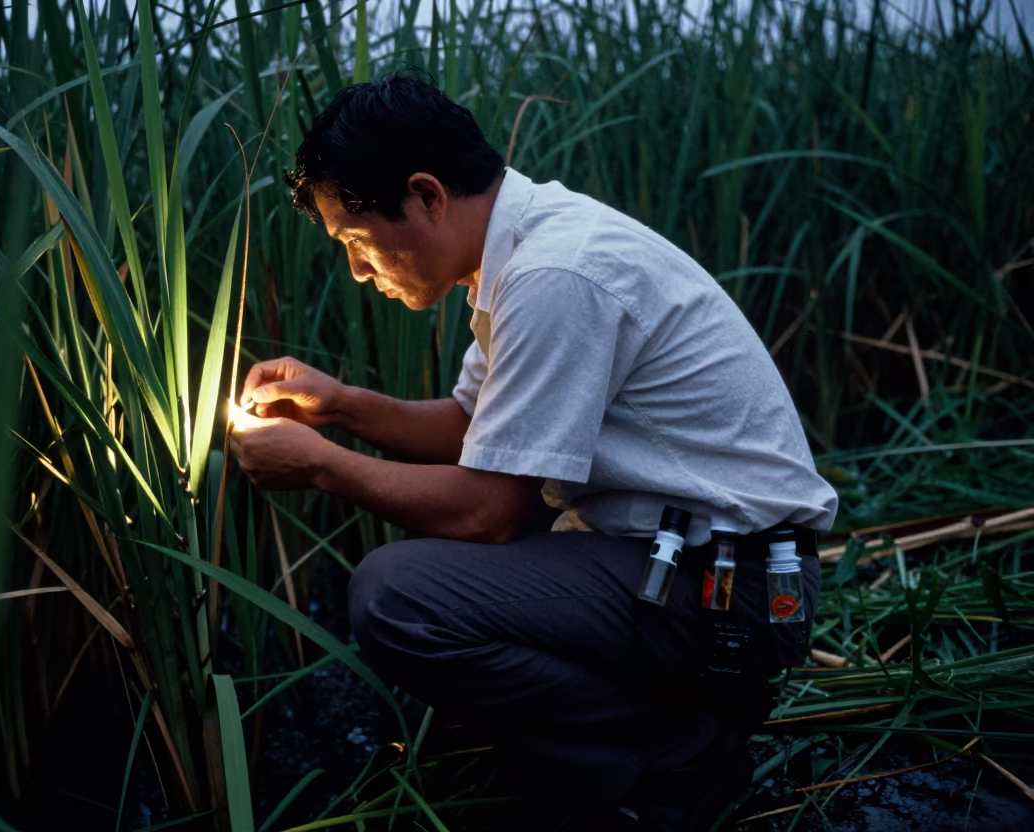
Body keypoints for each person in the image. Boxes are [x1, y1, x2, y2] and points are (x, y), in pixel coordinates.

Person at [230, 71, 838, 829]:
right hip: (679, 561)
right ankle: (635, 729)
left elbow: (487, 511)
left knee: (397, 594)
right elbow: (471, 424)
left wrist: (318, 463)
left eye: (356, 240)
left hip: (739, 589)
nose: (357, 269)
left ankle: (679, 758)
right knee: (439, 568)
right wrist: (342, 407)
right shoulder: (520, 249)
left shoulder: (557, 272)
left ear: (425, 196)